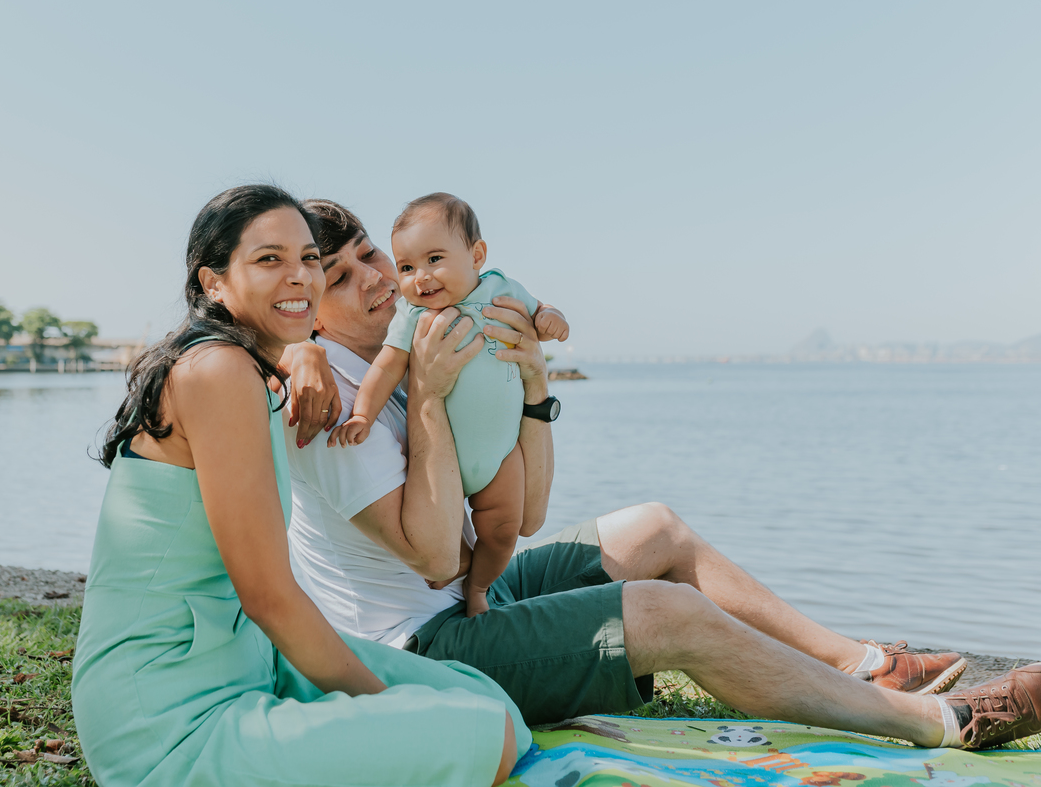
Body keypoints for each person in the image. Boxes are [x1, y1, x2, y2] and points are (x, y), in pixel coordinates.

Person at [284, 198, 1041, 751]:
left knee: (656, 526)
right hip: (419, 648)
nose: (375, 279)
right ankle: (944, 722)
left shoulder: (435, 338)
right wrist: (424, 394)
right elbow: (437, 556)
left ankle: (872, 665)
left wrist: (536, 387)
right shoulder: (329, 406)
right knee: (667, 613)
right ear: (312, 308)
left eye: (369, 255)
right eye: (340, 274)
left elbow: (532, 511)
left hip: (472, 594)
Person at [70, 185, 530, 787]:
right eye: (269, 260)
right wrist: (385, 710)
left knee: (488, 704)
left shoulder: (253, 368)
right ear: (214, 281)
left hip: (250, 662)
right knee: (483, 736)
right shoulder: (218, 371)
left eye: (309, 259)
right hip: (170, 717)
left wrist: (305, 351)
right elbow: (268, 596)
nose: (300, 278)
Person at [329, 192, 569, 616]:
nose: (420, 278)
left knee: (504, 530)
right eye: (407, 268)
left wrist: (550, 321)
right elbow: (385, 369)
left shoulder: (501, 289)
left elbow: (540, 310)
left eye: (435, 259)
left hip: (501, 453)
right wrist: (363, 413)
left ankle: (479, 587)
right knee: (450, 546)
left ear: (476, 255)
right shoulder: (411, 317)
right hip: (447, 459)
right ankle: (468, 585)